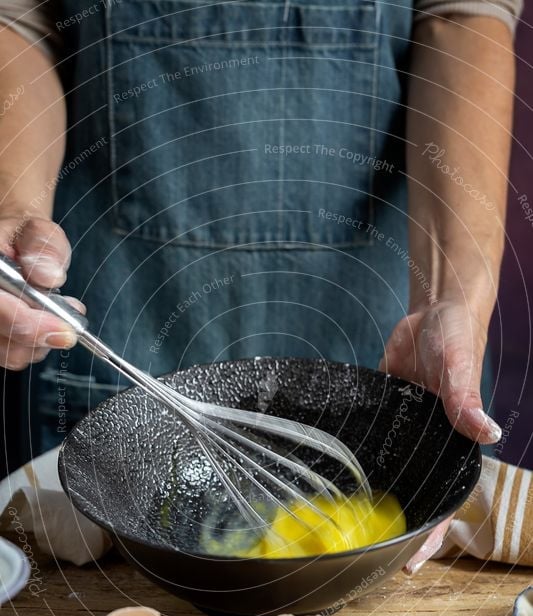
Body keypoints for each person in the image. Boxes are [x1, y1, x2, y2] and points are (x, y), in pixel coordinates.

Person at [0, 1, 522, 563]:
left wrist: (451, 296)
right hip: (122, 307)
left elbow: (462, 13)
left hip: (379, 316)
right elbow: (18, 18)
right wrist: (13, 209)